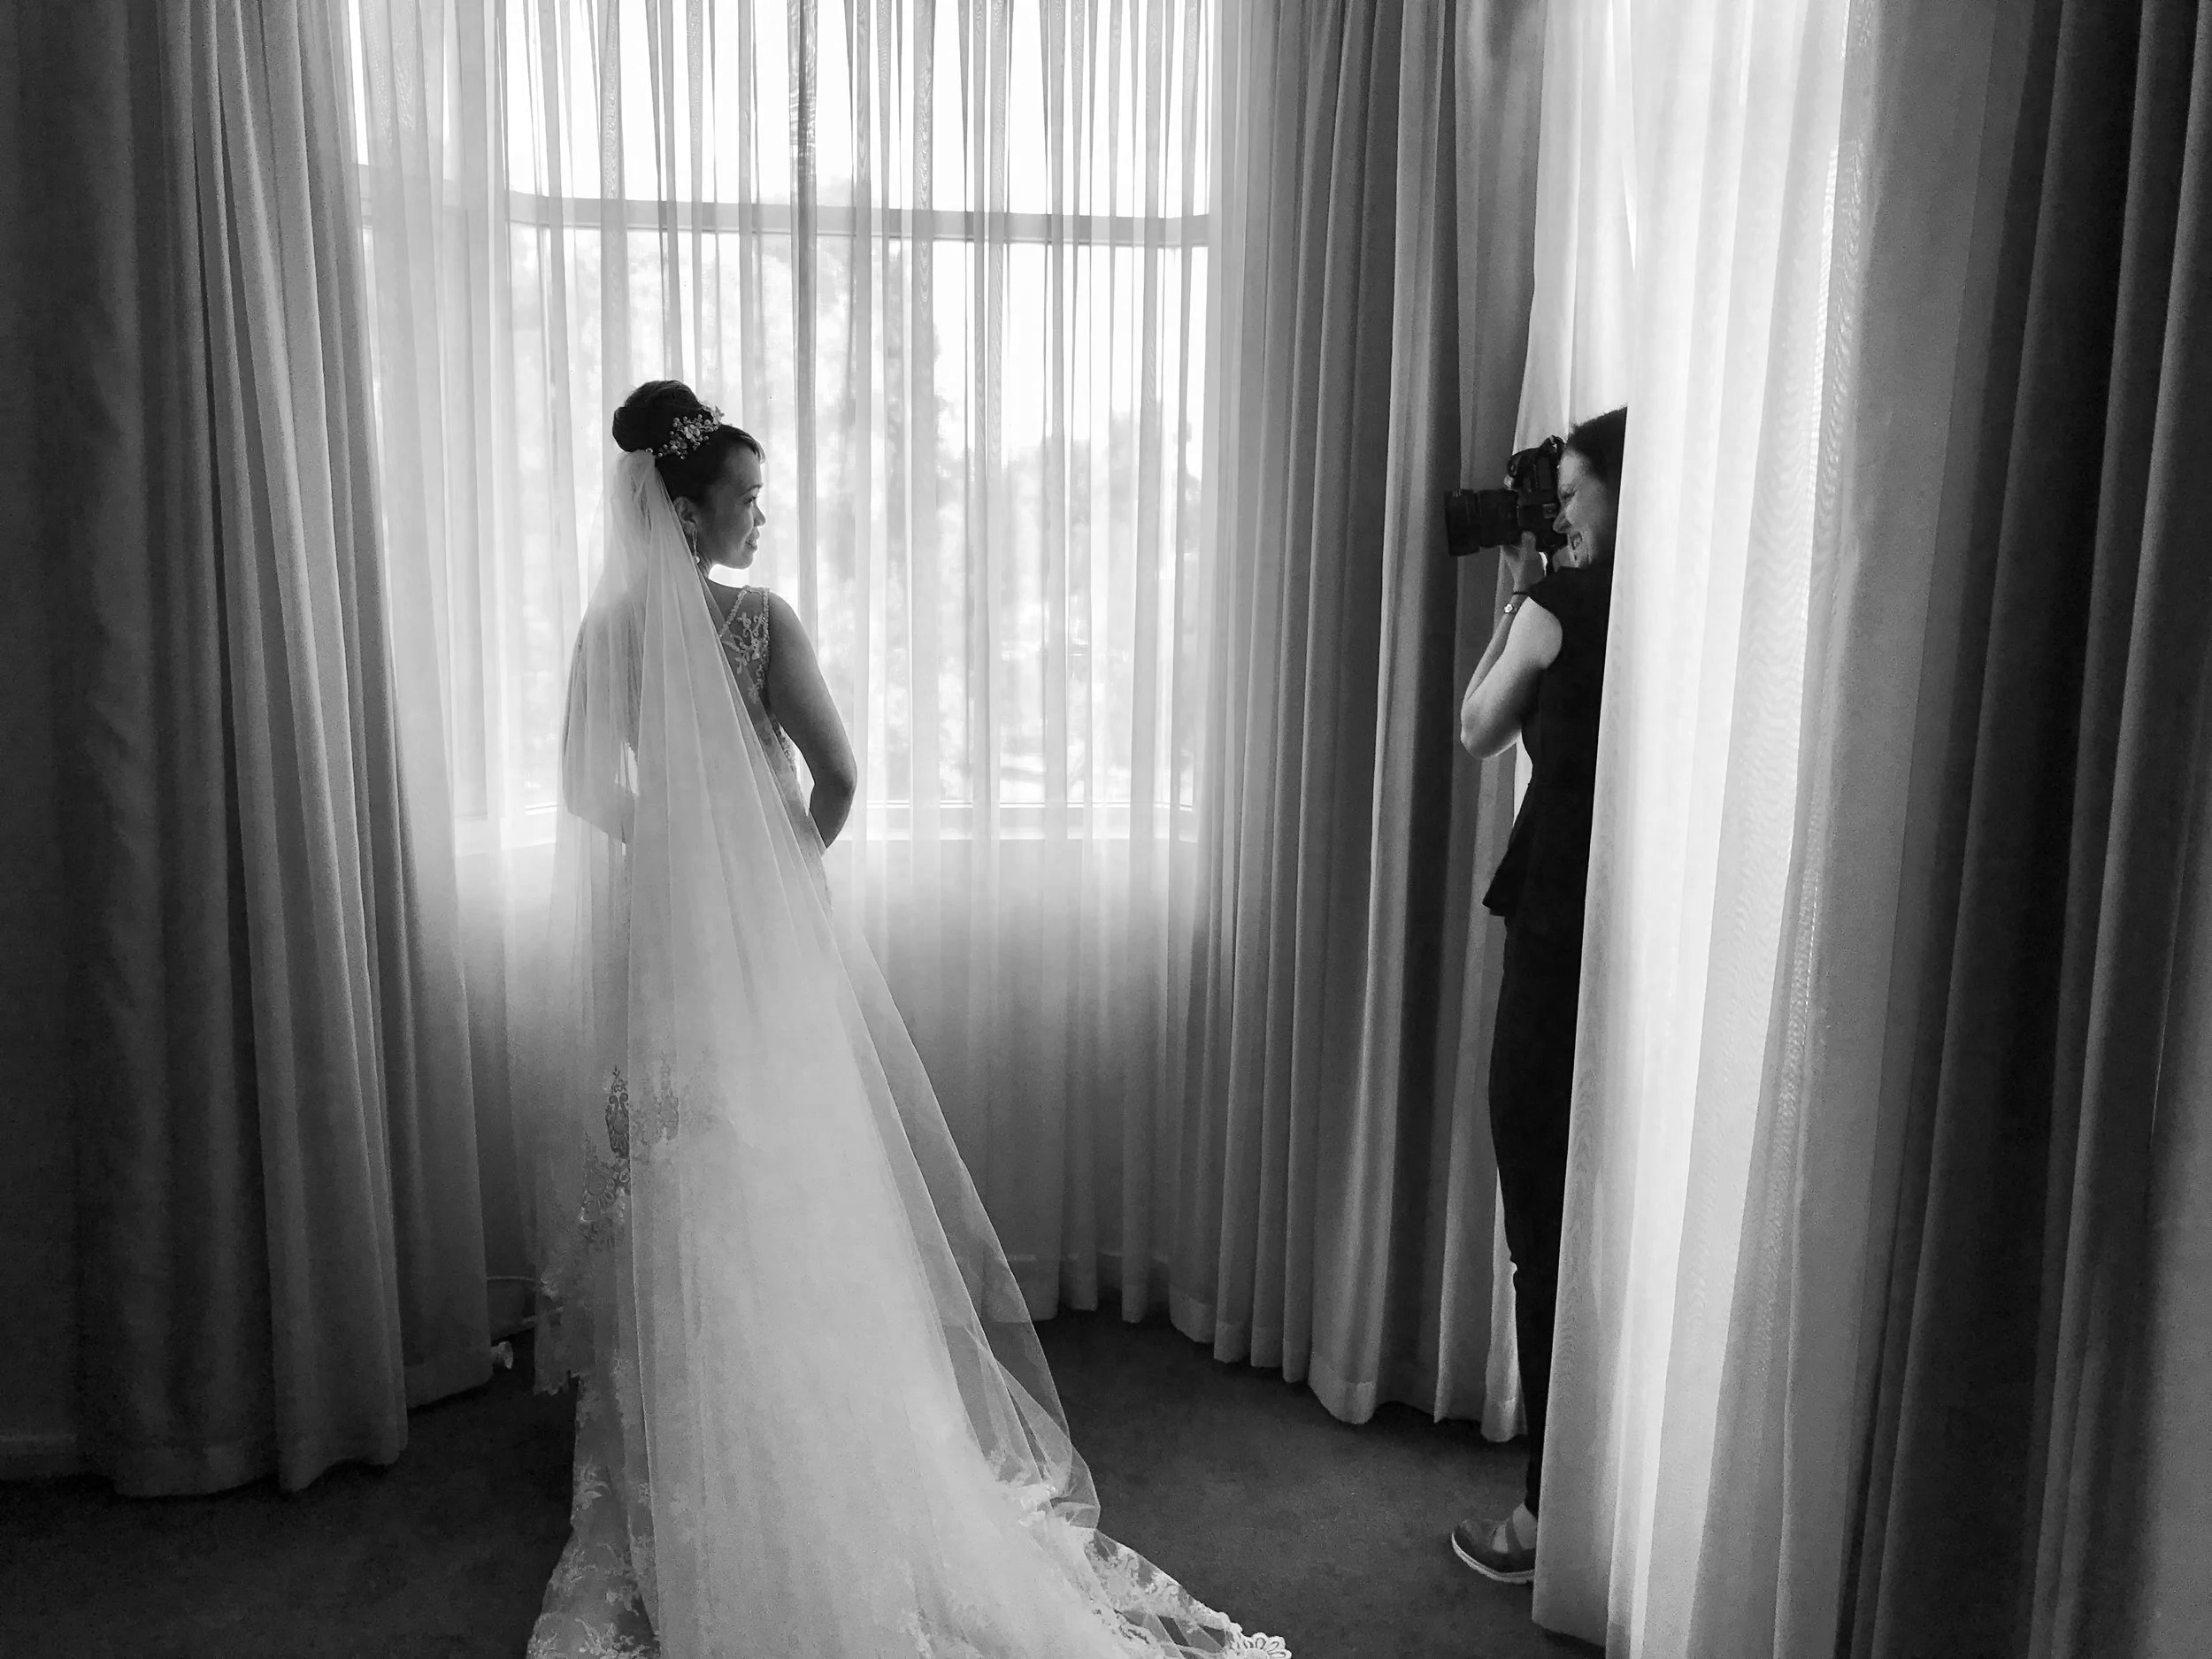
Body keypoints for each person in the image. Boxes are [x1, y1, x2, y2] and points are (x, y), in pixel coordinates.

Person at [521, 380, 1288, 1659]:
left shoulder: (609, 630)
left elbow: (579, 785)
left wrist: (674, 853)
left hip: (665, 944)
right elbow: (840, 777)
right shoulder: (757, 622)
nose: (760, 519)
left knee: (681, 1161)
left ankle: (706, 1422)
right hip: (760, 947)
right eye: (747, 499)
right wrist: (771, 876)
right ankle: (803, 1408)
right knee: (782, 1161)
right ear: (690, 510)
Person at [1447, 407, 1628, 1587]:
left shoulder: (1562, 605)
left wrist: (1520, 589)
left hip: (1558, 924)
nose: (1558, 516)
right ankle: (1581, 1500)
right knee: (1583, 1215)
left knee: (1540, 1208)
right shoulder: (1653, 605)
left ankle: (1542, 1515)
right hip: (1613, 919)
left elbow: (1476, 726)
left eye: (1570, 494)